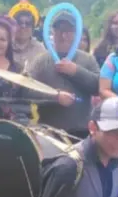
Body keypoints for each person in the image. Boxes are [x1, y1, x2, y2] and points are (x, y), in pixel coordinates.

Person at [25, 11, 97, 139]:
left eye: (69, 31)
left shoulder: (87, 59)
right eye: (59, 30)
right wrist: (54, 96)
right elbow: (27, 91)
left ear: (76, 34)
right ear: (52, 33)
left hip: (81, 132)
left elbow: (98, 87)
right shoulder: (41, 61)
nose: (64, 35)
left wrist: (76, 71)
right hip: (49, 132)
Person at [8, 0, 48, 69]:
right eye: (19, 22)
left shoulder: (40, 49)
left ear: (33, 27)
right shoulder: (4, 46)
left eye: (28, 23)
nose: (23, 26)